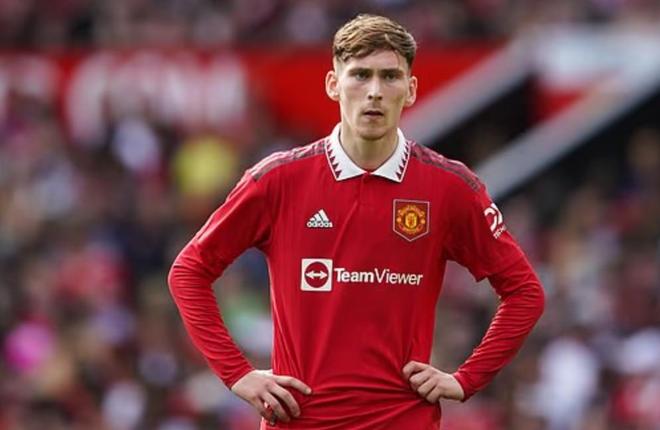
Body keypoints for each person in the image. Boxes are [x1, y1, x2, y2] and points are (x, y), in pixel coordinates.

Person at [168, 13, 545, 429]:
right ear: (334, 84)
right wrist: (237, 374)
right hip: (301, 422)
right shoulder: (278, 181)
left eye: (390, 76)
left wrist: (467, 379)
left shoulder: (449, 187)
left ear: (411, 89)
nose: (375, 91)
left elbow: (524, 291)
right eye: (361, 75)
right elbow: (189, 271)